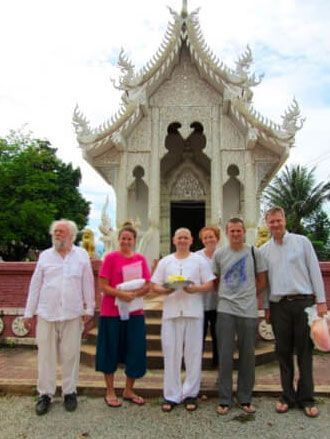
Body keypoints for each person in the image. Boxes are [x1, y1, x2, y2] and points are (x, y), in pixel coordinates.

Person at [260, 206, 328, 417]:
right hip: (279, 305)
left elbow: (314, 271)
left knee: (305, 352)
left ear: (285, 220)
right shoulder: (264, 250)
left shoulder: (302, 242)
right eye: (271, 222)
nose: (275, 224)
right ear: (267, 223)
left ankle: (306, 398)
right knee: (283, 352)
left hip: (303, 303)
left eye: (278, 220)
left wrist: (322, 301)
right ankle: (287, 396)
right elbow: (265, 282)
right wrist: (266, 307)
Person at [23, 219, 95, 415]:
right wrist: (29, 312)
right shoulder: (45, 256)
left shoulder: (81, 256)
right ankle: (45, 394)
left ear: (71, 235)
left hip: (72, 314)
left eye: (61, 232)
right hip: (47, 314)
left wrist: (89, 309)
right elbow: (36, 284)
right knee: (46, 356)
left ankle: (69, 392)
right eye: (55, 231)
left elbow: (88, 283)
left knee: (71, 355)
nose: (57, 234)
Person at [151, 228, 215, 412]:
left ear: (191, 240)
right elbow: (154, 285)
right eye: (180, 237)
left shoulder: (199, 260)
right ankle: (171, 394)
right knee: (171, 353)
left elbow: (210, 284)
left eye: (186, 237)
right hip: (171, 312)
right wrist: (165, 290)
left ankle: (190, 394)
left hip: (193, 311)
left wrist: (196, 289)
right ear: (173, 240)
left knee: (193, 354)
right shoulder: (165, 261)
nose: (182, 240)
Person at [213, 218, 267, 415]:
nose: (235, 234)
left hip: (248, 311)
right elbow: (216, 280)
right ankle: (225, 399)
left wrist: (249, 297)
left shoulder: (254, 252)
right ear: (227, 233)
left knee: (247, 356)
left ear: (244, 232)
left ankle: (245, 398)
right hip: (226, 310)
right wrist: (228, 296)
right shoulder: (220, 254)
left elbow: (262, 280)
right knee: (225, 356)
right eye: (232, 231)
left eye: (238, 231)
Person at [95, 222, 151, 407]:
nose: (126, 241)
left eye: (130, 239)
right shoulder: (110, 258)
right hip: (112, 312)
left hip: (134, 311)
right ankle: (110, 390)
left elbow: (147, 285)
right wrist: (121, 294)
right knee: (110, 349)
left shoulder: (141, 259)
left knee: (135, 350)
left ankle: (128, 389)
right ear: (118, 239)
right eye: (123, 238)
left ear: (135, 240)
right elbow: (103, 285)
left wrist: (133, 295)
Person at [196, 225, 220, 367]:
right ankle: (196, 367)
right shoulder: (197, 256)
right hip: (201, 303)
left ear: (217, 238)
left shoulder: (223, 253)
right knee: (199, 337)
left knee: (219, 337)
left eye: (211, 236)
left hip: (219, 303)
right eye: (205, 237)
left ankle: (217, 365)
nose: (208, 239)